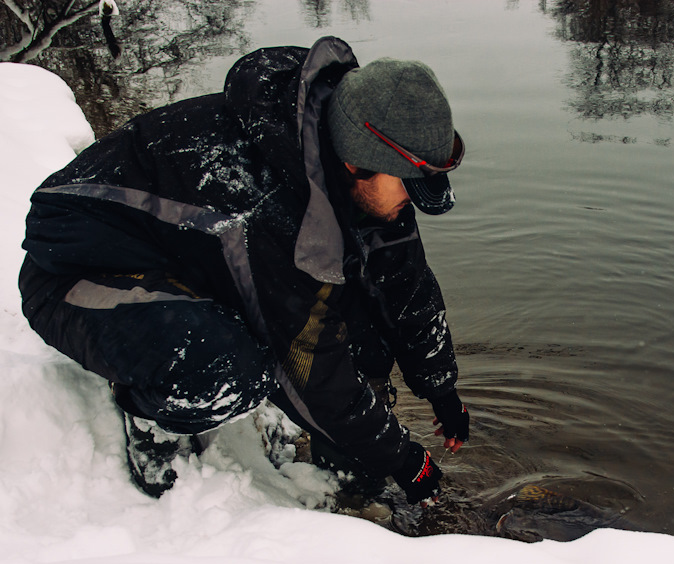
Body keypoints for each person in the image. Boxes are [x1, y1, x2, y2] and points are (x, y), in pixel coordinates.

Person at [18, 36, 469, 505]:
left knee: (366, 338)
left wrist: (441, 390)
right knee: (228, 371)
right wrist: (401, 457)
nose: (412, 203)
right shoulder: (265, 203)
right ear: (357, 161)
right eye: (409, 187)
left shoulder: (350, 169)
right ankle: (152, 423)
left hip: (186, 259)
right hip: (79, 274)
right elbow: (308, 364)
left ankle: (349, 478)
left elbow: (403, 280)